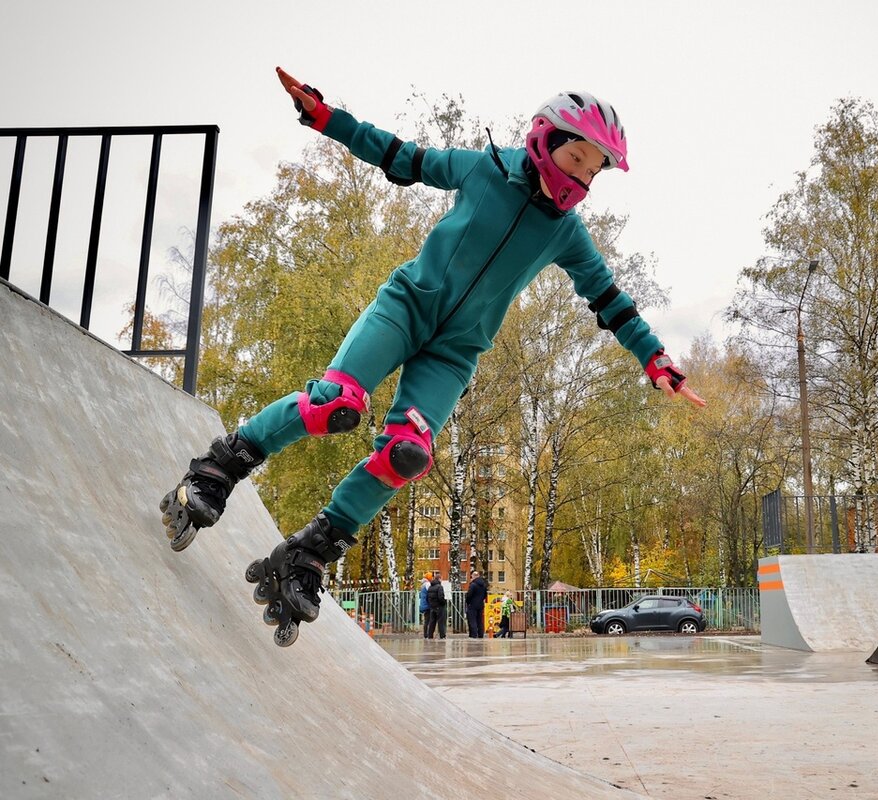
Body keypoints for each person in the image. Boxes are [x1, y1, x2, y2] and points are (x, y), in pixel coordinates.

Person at [160, 66, 706, 648]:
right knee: (336, 404)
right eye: (578, 161)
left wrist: (655, 361)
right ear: (545, 139)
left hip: (453, 354)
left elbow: (610, 299)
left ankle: (312, 551)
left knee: (407, 454)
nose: (583, 180)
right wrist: (326, 118)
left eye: (594, 172)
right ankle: (225, 462)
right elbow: (402, 155)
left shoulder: (568, 235)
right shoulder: (480, 169)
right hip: (405, 309)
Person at [425, 570, 448, 639]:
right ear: (439, 579)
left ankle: (430, 635)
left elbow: (427, 598)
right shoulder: (439, 587)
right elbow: (441, 597)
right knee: (441, 622)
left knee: (432, 622)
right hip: (439, 607)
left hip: (432, 607)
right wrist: (444, 602)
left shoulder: (430, 587)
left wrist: (431, 604)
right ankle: (442, 636)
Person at [465, 570, 488, 638]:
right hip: (480, 605)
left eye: (471, 577)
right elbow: (485, 595)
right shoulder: (483, 585)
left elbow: (469, 595)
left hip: (472, 605)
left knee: (472, 620)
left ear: (474, 576)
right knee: (480, 620)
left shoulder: (473, 585)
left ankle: (474, 635)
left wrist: (468, 601)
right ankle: (481, 634)